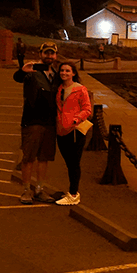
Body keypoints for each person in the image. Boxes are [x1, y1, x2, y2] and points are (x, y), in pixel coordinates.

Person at [13, 42, 61, 204]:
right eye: (46, 53)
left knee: (44, 157)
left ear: (55, 55)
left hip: (49, 122)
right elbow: (17, 78)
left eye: (52, 53)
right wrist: (22, 71)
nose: (49, 56)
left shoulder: (56, 74)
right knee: (29, 157)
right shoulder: (32, 71)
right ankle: (26, 190)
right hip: (32, 120)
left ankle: (39, 189)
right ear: (40, 54)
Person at [54, 60, 92, 206]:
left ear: (73, 73)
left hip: (76, 131)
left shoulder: (80, 89)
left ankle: (74, 194)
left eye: (67, 71)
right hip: (61, 130)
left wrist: (76, 119)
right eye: (62, 70)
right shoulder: (59, 89)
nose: (64, 73)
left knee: (74, 163)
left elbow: (87, 109)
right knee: (69, 163)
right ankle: (71, 192)